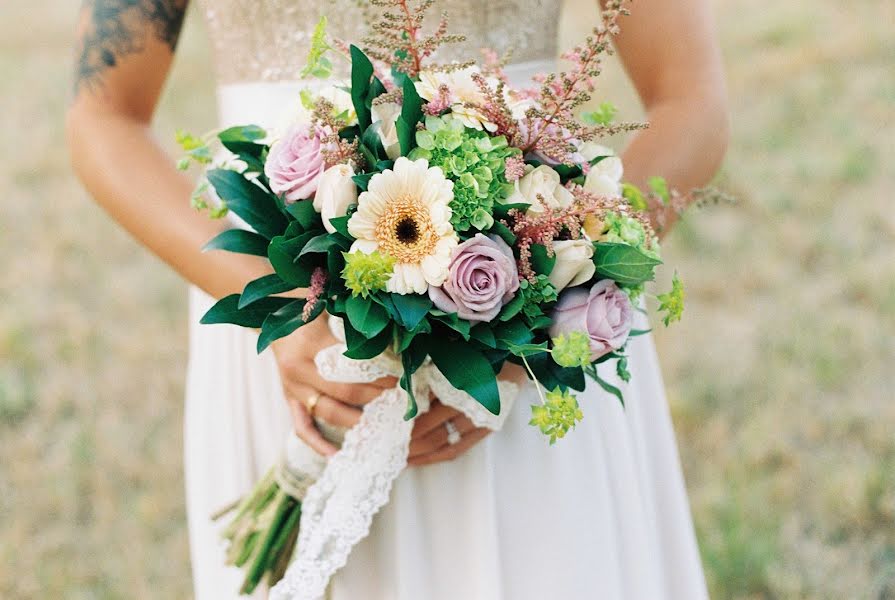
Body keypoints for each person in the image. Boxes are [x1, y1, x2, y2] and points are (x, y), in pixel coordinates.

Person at [67, 1, 729, 598]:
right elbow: (105, 115)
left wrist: (545, 295)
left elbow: (688, 99)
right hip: (286, 333)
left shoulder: (535, 305)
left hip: (527, 330)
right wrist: (275, 304)